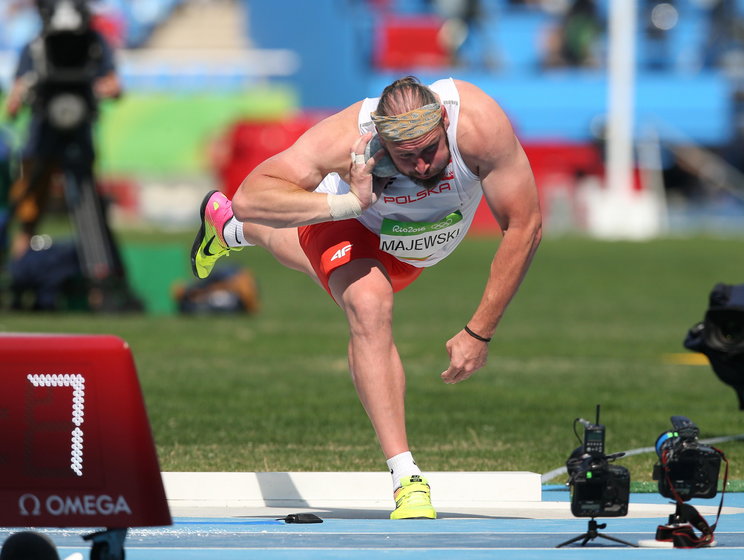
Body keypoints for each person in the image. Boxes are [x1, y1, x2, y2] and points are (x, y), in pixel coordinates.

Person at [191, 76, 542, 519]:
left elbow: (525, 225)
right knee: (369, 304)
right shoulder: (346, 139)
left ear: (445, 121)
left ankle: (228, 231)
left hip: (413, 250)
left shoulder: (479, 125)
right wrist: (347, 205)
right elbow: (250, 195)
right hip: (355, 223)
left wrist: (480, 331)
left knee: (294, 247)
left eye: (429, 151)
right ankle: (406, 477)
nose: (419, 167)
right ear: (381, 142)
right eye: (405, 157)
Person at [3, 0, 121, 261]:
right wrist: (25, 92)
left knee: (89, 209)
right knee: (29, 208)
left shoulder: (94, 43)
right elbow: (14, 100)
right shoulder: (36, 47)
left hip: (78, 135)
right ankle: (17, 266)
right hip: (43, 135)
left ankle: (99, 277)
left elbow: (114, 86)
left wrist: (95, 89)